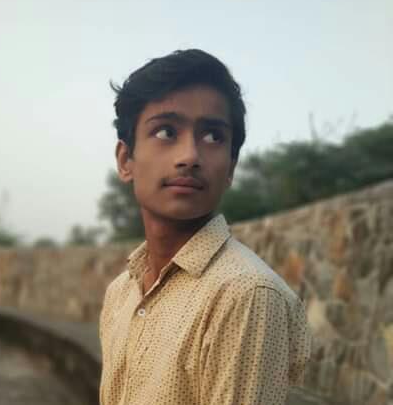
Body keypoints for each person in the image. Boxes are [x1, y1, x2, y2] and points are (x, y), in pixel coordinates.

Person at [99, 49, 312, 405]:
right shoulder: (121, 293)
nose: (190, 156)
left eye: (213, 136)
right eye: (166, 131)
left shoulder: (247, 295)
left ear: (230, 168)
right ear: (126, 160)